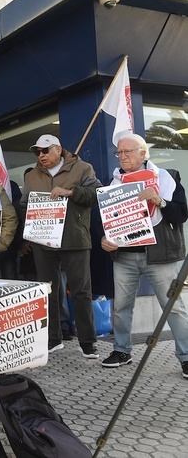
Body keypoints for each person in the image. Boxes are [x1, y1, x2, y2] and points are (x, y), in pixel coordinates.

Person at [99, 133, 188, 378]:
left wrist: (159, 201)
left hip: (160, 256)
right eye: (119, 152)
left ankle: (186, 357)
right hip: (125, 257)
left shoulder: (165, 178)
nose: (123, 156)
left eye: (128, 151)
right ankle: (121, 350)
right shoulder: (115, 182)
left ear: (142, 153)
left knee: (173, 307)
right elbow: (109, 222)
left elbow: (181, 214)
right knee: (121, 308)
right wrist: (106, 239)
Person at [20, 134, 101, 357]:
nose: (41, 156)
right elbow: (25, 205)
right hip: (43, 241)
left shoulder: (82, 168)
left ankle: (87, 342)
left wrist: (71, 192)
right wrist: (27, 235)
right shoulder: (32, 175)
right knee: (48, 291)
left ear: (58, 149)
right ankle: (53, 338)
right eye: (37, 152)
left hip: (74, 238)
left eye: (45, 151)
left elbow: (97, 195)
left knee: (81, 291)